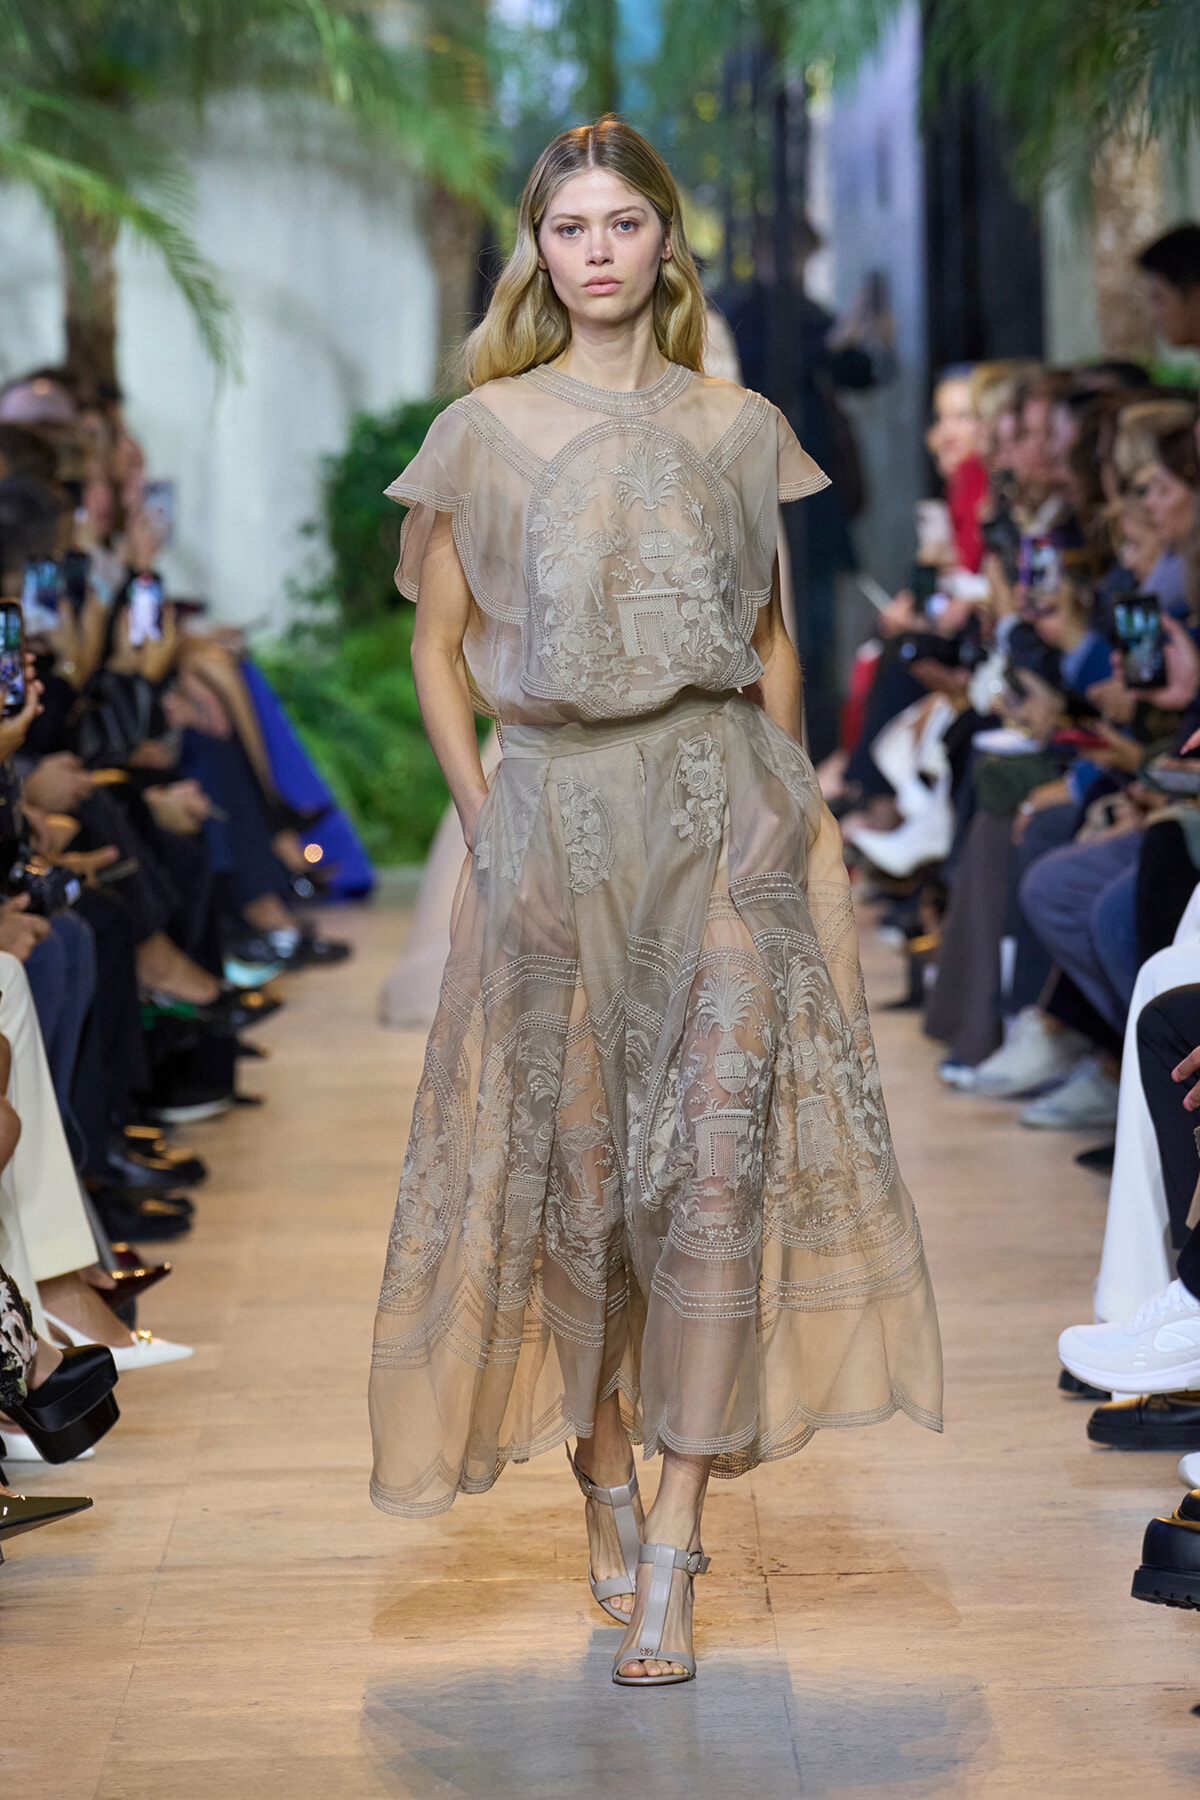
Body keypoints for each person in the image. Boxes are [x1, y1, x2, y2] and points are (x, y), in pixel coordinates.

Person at [367, 117, 943, 1689]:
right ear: (540, 253)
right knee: (581, 1192)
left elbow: (769, 637)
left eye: (624, 223)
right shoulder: (482, 432)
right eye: (571, 228)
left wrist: (790, 808)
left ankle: (677, 1541)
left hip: (721, 814)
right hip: (557, 819)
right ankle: (603, 1468)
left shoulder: (740, 425)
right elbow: (436, 647)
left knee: (716, 1177)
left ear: (666, 241)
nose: (599, 251)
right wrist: (485, 824)